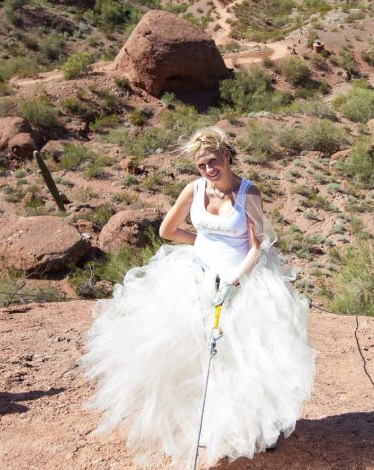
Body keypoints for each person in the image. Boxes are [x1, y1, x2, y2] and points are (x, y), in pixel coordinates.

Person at [81, 126, 316, 467]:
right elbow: (167, 230)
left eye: (213, 161)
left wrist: (235, 279)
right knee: (197, 352)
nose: (208, 170)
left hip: (242, 282)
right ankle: (210, 424)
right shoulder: (193, 191)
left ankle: (259, 427)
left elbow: (256, 246)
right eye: (202, 165)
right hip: (197, 278)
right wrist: (201, 245)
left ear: (228, 157)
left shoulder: (248, 192)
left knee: (246, 356)